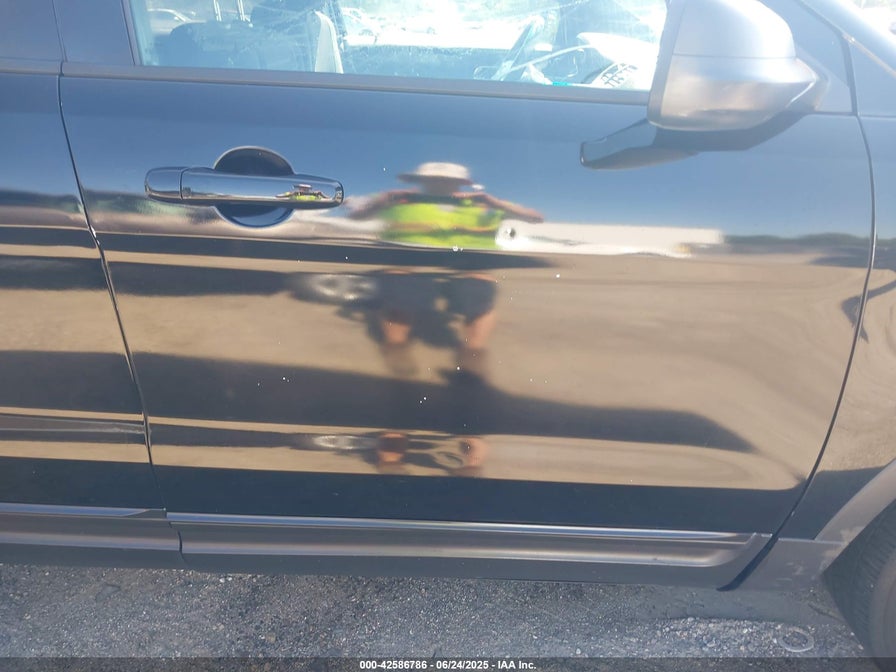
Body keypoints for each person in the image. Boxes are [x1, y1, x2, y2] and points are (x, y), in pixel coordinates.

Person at [349, 162, 543, 378]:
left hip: (469, 264)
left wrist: (493, 202)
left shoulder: (483, 204)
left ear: (460, 183)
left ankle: (473, 352)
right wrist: (382, 200)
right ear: (421, 180)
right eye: (433, 179)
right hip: (408, 263)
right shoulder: (400, 199)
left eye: (446, 180)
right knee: (400, 289)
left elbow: (535, 217)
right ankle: (395, 345)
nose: (439, 183)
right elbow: (355, 215)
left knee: (478, 293)